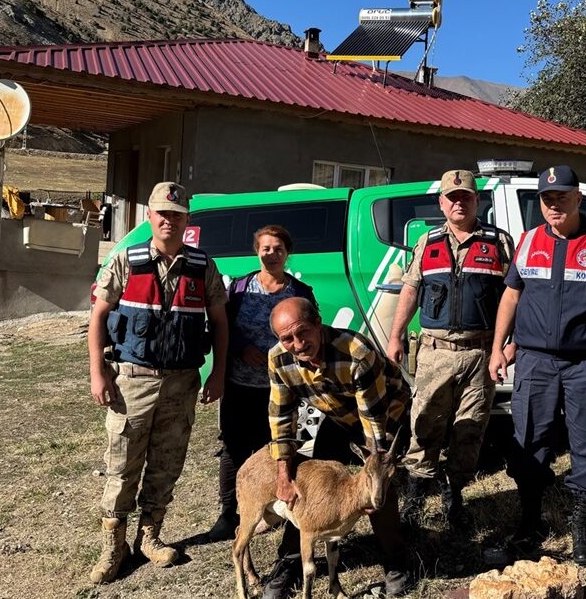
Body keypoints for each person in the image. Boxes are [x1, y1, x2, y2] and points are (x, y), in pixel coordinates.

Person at [488, 165, 586, 567]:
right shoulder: (528, 240)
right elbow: (511, 297)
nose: (554, 205)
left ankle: (582, 522)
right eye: (547, 198)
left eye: (562, 197)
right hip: (534, 360)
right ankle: (531, 520)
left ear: (578, 198)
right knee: (529, 439)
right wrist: (498, 346)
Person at [87, 182, 229, 584]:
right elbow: (98, 317)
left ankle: (150, 536)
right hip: (133, 381)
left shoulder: (203, 267)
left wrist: (216, 374)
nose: (169, 220)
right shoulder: (127, 261)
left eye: (177, 214)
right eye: (162, 213)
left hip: (182, 383)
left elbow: (219, 323)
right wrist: (99, 372)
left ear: (187, 221)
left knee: (167, 464)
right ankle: (112, 548)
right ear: (149, 216)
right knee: (122, 466)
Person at [385, 169, 514, 528]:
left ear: (477, 201)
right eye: (452, 197)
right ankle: (414, 496)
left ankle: (454, 494)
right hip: (435, 352)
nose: (459, 202)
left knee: (469, 428)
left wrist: (509, 343)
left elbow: (514, 296)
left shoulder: (499, 242)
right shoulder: (427, 243)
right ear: (441, 203)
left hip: (481, 353)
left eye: (466, 197)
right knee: (425, 422)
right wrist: (395, 336)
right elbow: (410, 290)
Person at [263, 297, 412, 598]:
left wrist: (372, 485)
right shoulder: (278, 359)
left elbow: (373, 421)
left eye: (303, 332)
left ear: (318, 324)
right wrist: (283, 472)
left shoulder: (356, 351)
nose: (297, 343)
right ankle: (290, 561)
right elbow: (281, 418)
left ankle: (396, 561)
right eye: (287, 338)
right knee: (307, 484)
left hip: (385, 413)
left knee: (378, 488)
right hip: (338, 414)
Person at [208, 225, 317, 541]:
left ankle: (274, 510)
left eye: (278, 248)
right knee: (233, 448)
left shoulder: (299, 291)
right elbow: (222, 326)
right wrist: (242, 347)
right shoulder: (240, 289)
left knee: (278, 448)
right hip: (241, 385)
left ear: (287, 253)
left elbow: (310, 332)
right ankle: (230, 514)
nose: (272, 253)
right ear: (257, 251)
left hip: (282, 388)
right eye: (266, 248)